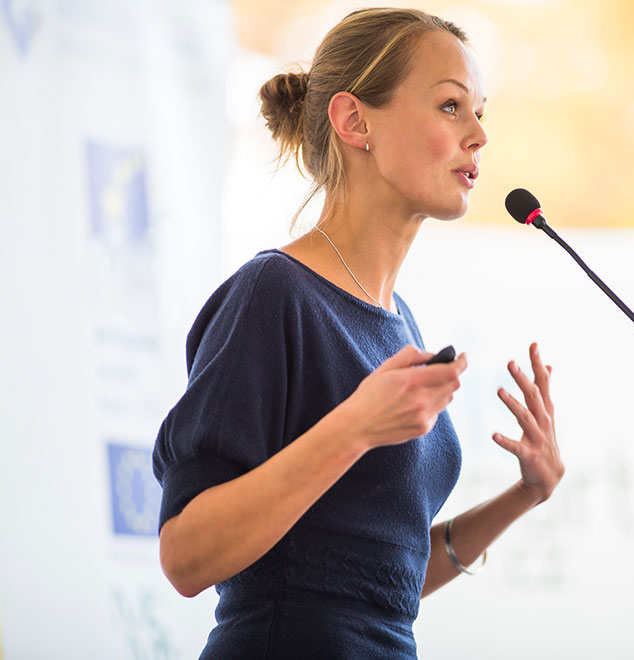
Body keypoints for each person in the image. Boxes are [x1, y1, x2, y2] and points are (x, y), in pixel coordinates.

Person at [152, 7, 564, 659]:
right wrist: (355, 428)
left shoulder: (399, 320)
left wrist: (524, 496)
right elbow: (186, 555)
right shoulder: (274, 294)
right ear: (354, 122)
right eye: (452, 106)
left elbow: (373, 586)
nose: (480, 133)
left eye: (482, 111)